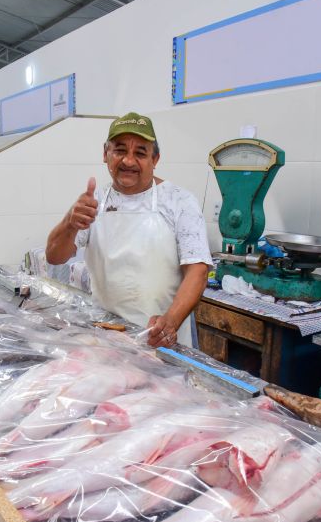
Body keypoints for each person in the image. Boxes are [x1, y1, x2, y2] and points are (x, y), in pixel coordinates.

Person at [46, 112, 212, 348]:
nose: (128, 161)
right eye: (120, 150)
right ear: (106, 154)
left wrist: (169, 322)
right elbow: (54, 256)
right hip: (106, 333)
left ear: (155, 159)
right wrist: (69, 224)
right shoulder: (96, 201)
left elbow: (197, 271)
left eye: (140, 153)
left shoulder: (179, 201)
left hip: (161, 338)